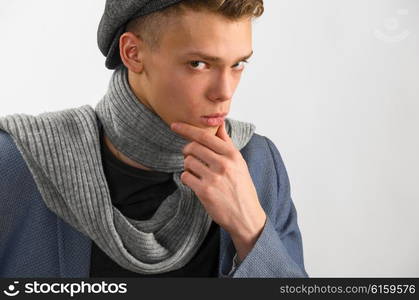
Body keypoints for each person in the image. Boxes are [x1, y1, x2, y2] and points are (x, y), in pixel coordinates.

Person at [0, 0, 308, 278]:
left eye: (238, 64)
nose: (224, 92)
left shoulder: (258, 163)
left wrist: (251, 230)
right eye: (198, 64)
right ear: (132, 53)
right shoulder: (18, 164)